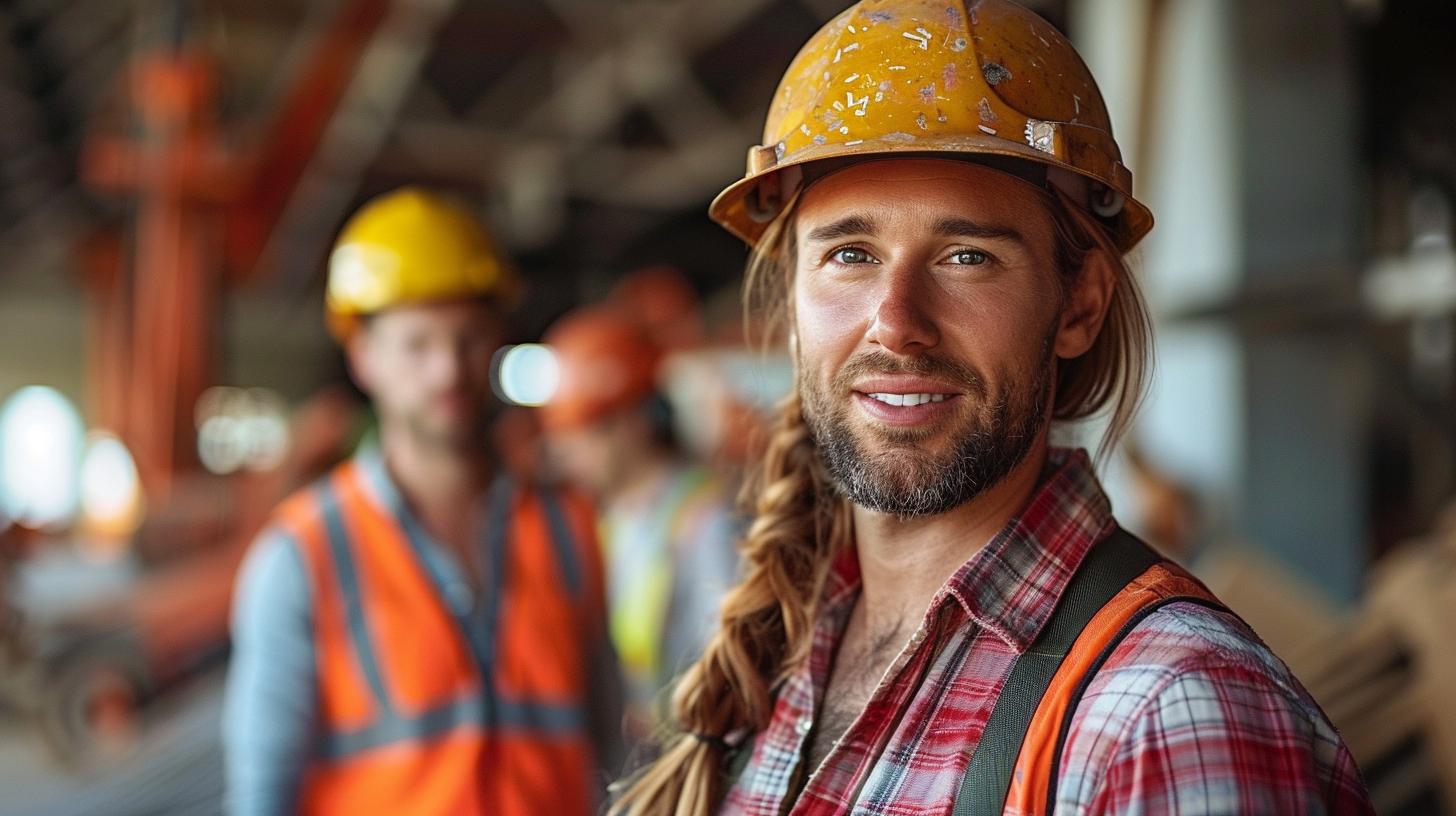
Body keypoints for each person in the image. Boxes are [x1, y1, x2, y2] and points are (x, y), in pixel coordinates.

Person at [610, 1, 1374, 814]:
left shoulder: (1168, 716)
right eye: (850, 254)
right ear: (793, 304)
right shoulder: (781, 659)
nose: (896, 323)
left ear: (1078, 304)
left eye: (967, 256)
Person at [223, 187, 621, 816]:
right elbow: (262, 794)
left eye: (467, 337)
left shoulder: (567, 528)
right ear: (363, 358)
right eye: (417, 345)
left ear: (498, 338)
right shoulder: (302, 554)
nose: (446, 371)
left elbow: (605, 748)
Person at [536, 303, 740, 738]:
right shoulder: (600, 521)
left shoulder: (704, 519)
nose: (568, 453)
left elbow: (733, 666)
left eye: (584, 434)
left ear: (631, 421)